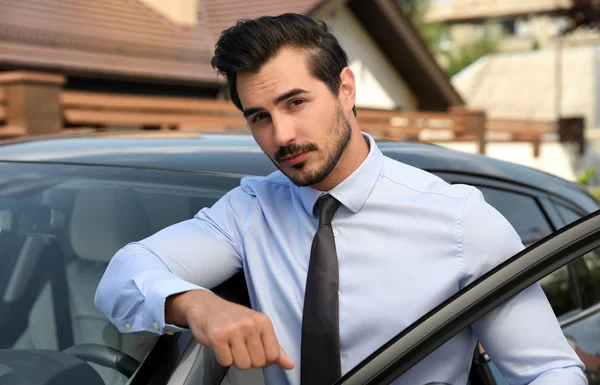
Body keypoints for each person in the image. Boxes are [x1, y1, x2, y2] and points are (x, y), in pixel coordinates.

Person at [95, 13, 587, 385]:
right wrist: (198, 305)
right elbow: (124, 273)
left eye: (295, 102)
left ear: (345, 89)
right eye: (259, 117)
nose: (281, 135)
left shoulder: (460, 220)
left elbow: (549, 370)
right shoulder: (250, 210)